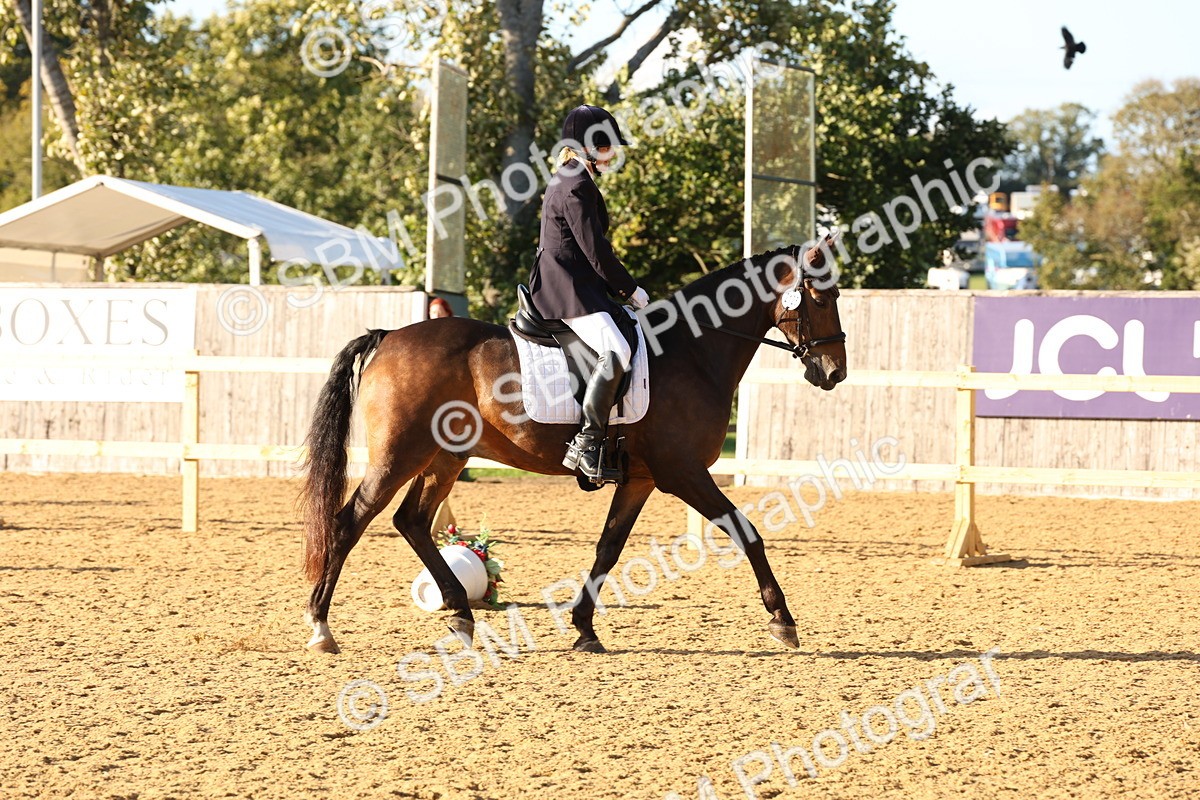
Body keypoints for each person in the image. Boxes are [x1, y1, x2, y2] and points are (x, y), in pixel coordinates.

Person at [529, 104, 649, 482]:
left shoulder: (570, 178)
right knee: (617, 349)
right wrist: (629, 289)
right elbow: (595, 250)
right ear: (591, 146)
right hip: (567, 289)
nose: (614, 154)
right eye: (610, 146)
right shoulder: (576, 185)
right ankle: (588, 441)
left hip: (576, 284)